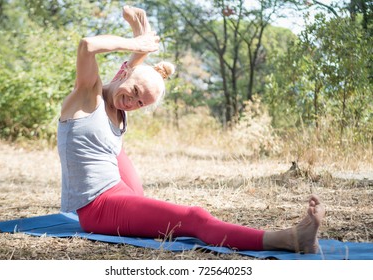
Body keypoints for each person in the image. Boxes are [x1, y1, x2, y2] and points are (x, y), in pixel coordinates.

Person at [57, 5, 325, 253]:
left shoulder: (118, 103)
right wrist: (137, 42)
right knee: (194, 218)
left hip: (119, 192)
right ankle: (287, 239)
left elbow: (131, 72)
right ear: (123, 73)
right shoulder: (86, 98)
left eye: (141, 103)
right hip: (99, 208)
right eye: (135, 92)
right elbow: (87, 45)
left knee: (142, 196)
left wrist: (142, 38)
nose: (132, 103)